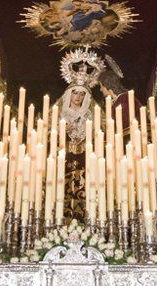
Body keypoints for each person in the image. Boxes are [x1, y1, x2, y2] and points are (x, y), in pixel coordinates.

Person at [56, 83, 94, 222]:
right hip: (65, 158)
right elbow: (48, 137)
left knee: (85, 189)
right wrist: (62, 131)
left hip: (85, 159)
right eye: (75, 92)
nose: (78, 97)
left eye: (82, 94)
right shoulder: (59, 113)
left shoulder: (89, 114)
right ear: (69, 94)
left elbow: (99, 136)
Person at [97, 68, 141, 136]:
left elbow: (126, 127)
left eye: (101, 86)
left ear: (107, 85)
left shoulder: (125, 99)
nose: (100, 89)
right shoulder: (117, 100)